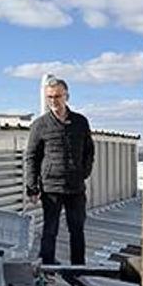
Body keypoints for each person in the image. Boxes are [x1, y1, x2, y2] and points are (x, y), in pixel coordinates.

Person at [25, 76, 94, 266]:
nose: (53, 101)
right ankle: (47, 268)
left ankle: (78, 269)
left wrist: (83, 172)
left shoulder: (80, 122)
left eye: (57, 96)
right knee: (50, 230)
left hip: (75, 187)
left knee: (77, 229)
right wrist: (32, 187)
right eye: (49, 97)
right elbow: (32, 156)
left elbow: (89, 150)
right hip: (51, 188)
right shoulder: (40, 125)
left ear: (66, 96)